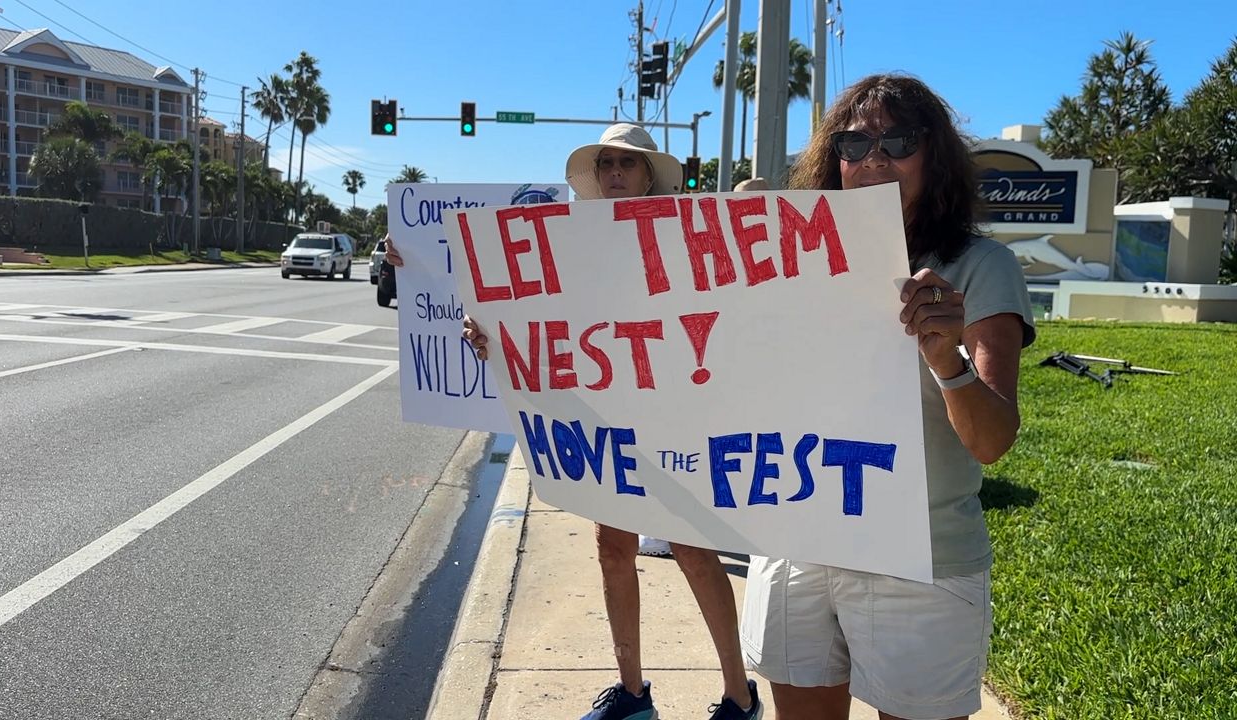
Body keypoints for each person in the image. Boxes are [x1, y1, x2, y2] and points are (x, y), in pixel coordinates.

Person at [386, 123, 763, 720]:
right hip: (605, 421)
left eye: (627, 163)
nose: (615, 173)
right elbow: (523, 306)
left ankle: (740, 696)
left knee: (692, 549)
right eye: (606, 163)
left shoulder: (677, 232)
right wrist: (421, 266)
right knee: (612, 547)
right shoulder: (571, 239)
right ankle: (633, 695)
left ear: (649, 176)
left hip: (674, 417)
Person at [739, 74, 1036, 720]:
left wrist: (946, 359)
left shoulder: (978, 268)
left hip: (919, 558)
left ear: (935, 156)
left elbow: (991, 441)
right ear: (833, 159)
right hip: (798, 539)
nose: (873, 158)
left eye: (898, 141)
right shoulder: (789, 262)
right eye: (853, 144)